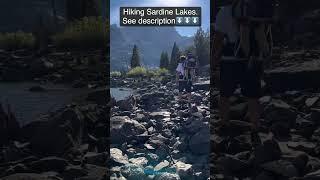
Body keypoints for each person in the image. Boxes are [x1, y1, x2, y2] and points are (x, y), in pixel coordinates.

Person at [212, 0, 273, 145]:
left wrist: (214, 59)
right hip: (252, 59)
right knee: (253, 96)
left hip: (229, 59)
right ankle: (255, 127)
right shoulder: (258, 10)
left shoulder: (225, 11)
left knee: (224, 94)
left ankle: (224, 124)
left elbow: (218, 38)